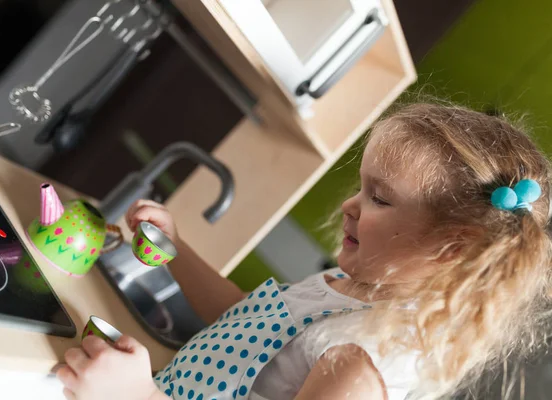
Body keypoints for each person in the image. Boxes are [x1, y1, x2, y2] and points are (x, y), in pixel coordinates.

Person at [57, 103, 552, 400]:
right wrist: (175, 251)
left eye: (379, 198)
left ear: (451, 248)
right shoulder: (349, 289)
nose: (349, 205)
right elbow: (241, 323)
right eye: (362, 189)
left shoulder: (370, 358)